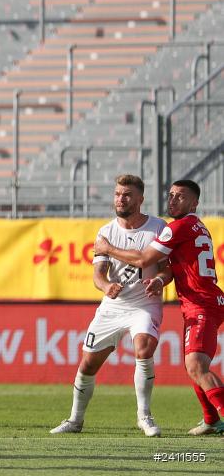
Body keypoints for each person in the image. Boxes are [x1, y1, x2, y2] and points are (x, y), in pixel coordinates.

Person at [95, 179, 224, 436]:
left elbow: (144, 258)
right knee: (195, 365)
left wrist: (108, 248)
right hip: (204, 301)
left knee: (196, 364)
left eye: (181, 196)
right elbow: (174, 268)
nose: (173, 200)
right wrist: (160, 279)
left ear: (194, 203)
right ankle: (211, 420)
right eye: (171, 195)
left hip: (202, 303)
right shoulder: (198, 226)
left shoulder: (177, 227)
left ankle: (216, 416)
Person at [51, 175, 168, 437]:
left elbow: (166, 270)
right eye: (117, 194)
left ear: (140, 199)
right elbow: (98, 274)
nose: (120, 199)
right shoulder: (105, 231)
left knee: (144, 348)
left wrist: (160, 281)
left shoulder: (158, 228)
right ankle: (75, 420)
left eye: (126, 195)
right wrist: (106, 287)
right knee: (88, 364)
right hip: (113, 307)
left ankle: (144, 417)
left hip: (144, 304)